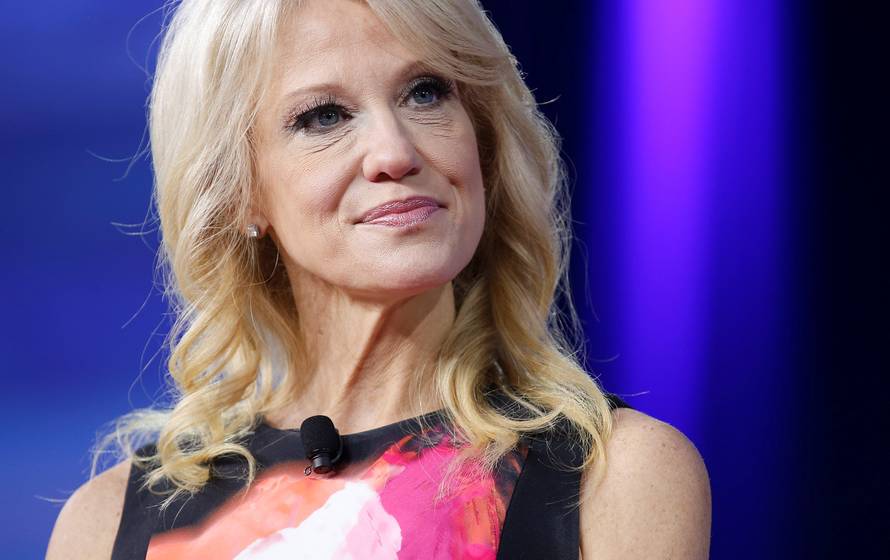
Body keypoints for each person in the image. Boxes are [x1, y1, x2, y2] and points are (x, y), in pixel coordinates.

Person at [46, 0, 711, 558]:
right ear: (240, 192)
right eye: (323, 117)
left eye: (426, 93)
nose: (395, 152)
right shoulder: (101, 526)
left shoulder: (617, 476)